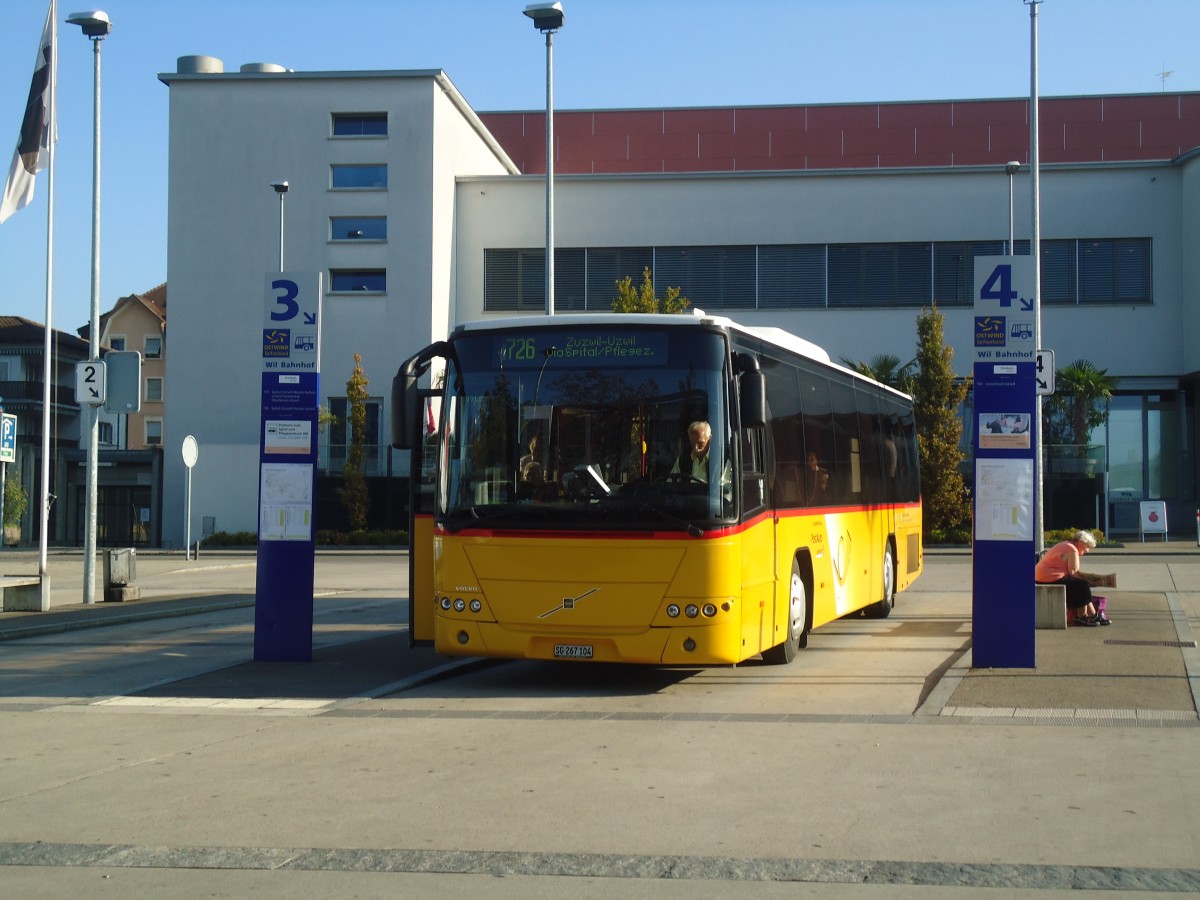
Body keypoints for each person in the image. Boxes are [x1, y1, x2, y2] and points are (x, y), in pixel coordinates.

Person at [1035, 530, 1110, 626]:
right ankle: (1082, 617)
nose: (1087, 550)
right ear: (1081, 542)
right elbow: (1074, 573)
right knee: (1082, 586)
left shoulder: (1066, 545)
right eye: (1087, 547)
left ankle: (1094, 615)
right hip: (1048, 578)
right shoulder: (1072, 550)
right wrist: (1091, 581)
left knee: (1081, 586)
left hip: (1043, 577)